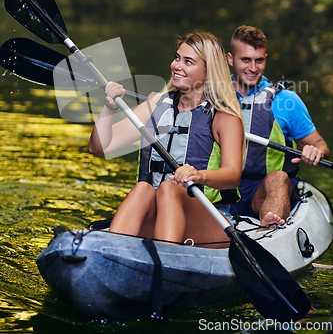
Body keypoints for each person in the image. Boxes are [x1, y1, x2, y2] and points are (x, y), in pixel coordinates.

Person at [89, 31, 244, 247]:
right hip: (157, 213)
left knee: (169, 188)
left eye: (188, 61)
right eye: (177, 57)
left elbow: (233, 175)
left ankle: (166, 260)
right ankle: (112, 253)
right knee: (144, 188)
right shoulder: (157, 105)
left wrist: (199, 176)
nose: (177, 66)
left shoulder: (224, 117)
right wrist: (109, 108)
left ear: (208, 71)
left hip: (209, 219)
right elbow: (99, 146)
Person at [227, 25, 330, 228]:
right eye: (245, 60)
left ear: (266, 57)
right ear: (230, 59)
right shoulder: (212, 95)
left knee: (279, 178)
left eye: (259, 60)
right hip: (219, 185)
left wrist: (315, 151)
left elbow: (322, 146)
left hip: (263, 187)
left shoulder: (287, 101)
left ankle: (269, 229)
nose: (253, 68)